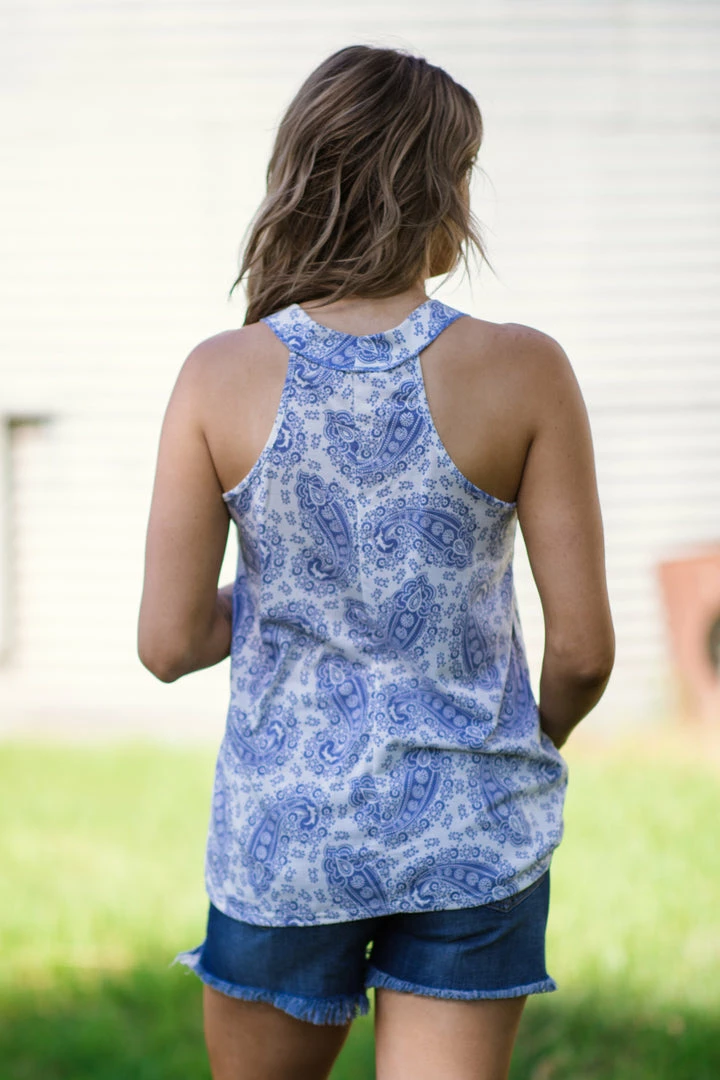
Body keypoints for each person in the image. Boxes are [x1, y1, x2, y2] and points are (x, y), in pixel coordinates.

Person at [137, 44, 614, 1080]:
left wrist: (295, 593)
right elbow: (582, 651)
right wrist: (525, 744)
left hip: (285, 838)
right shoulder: (525, 369)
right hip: (471, 833)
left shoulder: (218, 376)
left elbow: (168, 643)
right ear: (439, 190)